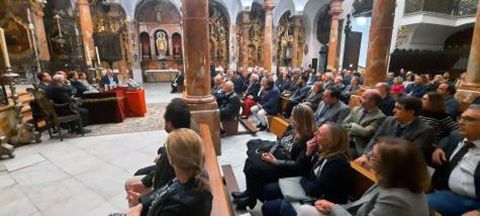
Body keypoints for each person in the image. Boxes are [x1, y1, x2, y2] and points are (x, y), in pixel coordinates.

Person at [297, 137, 430, 216]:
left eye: (373, 158)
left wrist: (333, 209)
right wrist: (332, 207)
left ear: (389, 165)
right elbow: (358, 207)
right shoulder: (392, 180)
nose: (368, 160)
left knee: (304, 210)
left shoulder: (396, 198)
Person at [232, 104, 316, 209]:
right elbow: (279, 141)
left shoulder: (308, 139)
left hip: (287, 168)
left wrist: (275, 161)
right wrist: (270, 153)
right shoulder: (292, 128)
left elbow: (299, 165)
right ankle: (249, 192)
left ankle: (251, 199)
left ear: (300, 120)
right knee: (250, 160)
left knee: (254, 168)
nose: (290, 117)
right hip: (278, 156)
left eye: (293, 116)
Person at [261, 123, 352, 216]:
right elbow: (304, 171)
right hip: (309, 189)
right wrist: (308, 153)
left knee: (268, 207)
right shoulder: (322, 150)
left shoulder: (337, 163)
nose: (315, 134)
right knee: (268, 190)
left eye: (319, 134)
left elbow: (314, 190)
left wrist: (303, 180)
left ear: (330, 141)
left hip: (321, 203)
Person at [124, 128, 213, 216]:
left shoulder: (178, 206)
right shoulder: (193, 175)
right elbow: (163, 192)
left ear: (171, 160)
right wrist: (141, 202)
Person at [125, 98, 191, 207]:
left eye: (165, 120)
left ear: (169, 123)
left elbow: (164, 186)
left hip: (161, 195)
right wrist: (145, 182)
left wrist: (141, 202)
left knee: (129, 184)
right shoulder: (184, 135)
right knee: (139, 173)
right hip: (165, 179)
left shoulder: (174, 149)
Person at [429, 104, 480, 215]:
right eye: (460, 117)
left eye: (469, 119)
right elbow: (446, 138)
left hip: (475, 202)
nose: (460, 122)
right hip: (447, 193)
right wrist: (439, 148)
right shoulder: (457, 136)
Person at [354, 96, 435, 165]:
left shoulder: (425, 131)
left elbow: (410, 157)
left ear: (411, 112)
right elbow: (376, 139)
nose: (393, 111)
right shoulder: (389, 120)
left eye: (398, 108)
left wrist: (377, 161)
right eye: (394, 107)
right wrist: (366, 155)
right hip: (377, 161)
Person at [343, 89, 386, 156]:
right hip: (346, 141)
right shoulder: (356, 109)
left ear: (372, 102)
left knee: (338, 155)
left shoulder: (380, 117)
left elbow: (365, 132)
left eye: (364, 97)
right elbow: (343, 124)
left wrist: (352, 125)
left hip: (358, 147)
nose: (360, 99)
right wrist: (356, 128)